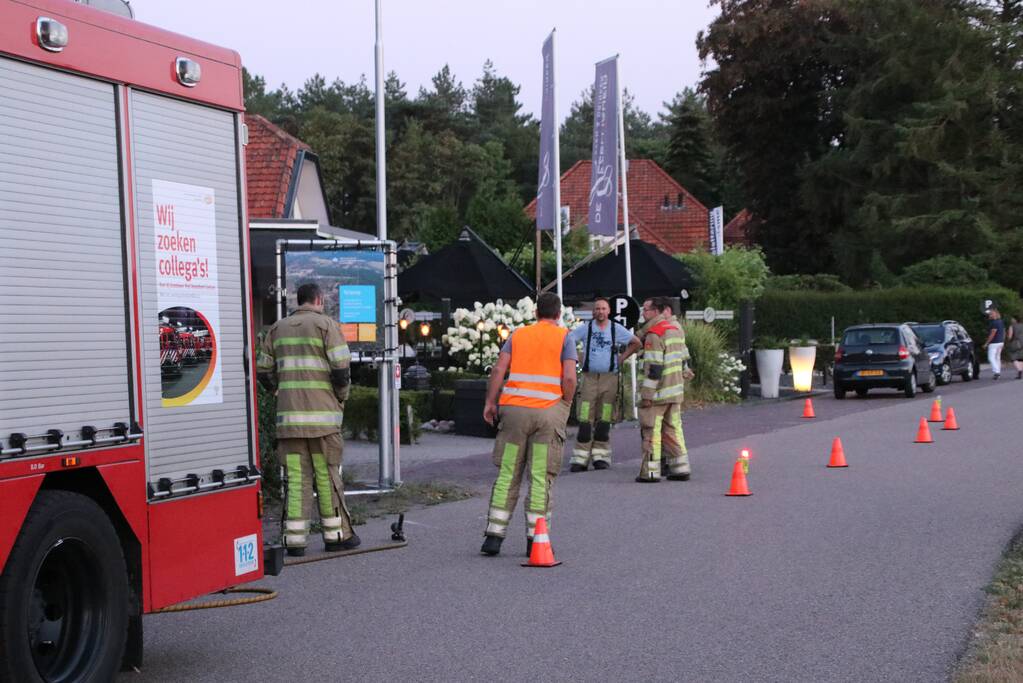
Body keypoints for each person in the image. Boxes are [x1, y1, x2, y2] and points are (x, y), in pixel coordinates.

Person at [257, 283, 359, 557]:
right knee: (326, 476)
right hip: (323, 422)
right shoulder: (327, 326)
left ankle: (294, 540)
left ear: (298, 300)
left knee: (296, 480)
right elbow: (341, 370)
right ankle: (336, 535)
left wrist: (278, 392)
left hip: (289, 423)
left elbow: (263, 370)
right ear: (319, 299)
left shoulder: (277, 329)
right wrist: (340, 398)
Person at [480, 292, 576, 557]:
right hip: (547, 414)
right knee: (539, 475)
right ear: (559, 314)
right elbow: (569, 378)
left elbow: (498, 370)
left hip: (514, 414)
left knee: (508, 472)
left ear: (536, 313)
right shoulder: (564, 337)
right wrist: (565, 404)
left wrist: (490, 402)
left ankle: (494, 535)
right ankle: (536, 539)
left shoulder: (518, 334)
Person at [566, 298, 635, 472]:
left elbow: (636, 343)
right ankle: (580, 459)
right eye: (597, 308)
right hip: (589, 379)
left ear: (609, 311)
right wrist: (577, 357)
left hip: (609, 379)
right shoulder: (586, 328)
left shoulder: (616, 329)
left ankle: (600, 457)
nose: (600, 311)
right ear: (593, 311)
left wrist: (622, 358)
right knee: (584, 418)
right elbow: (568, 341)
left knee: (604, 419)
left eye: (603, 308)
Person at [629, 297, 692, 483]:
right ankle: (680, 468)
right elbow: (683, 359)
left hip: (658, 395)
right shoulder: (675, 330)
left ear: (656, 311)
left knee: (651, 432)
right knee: (672, 430)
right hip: (675, 392)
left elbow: (654, 369)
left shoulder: (655, 334)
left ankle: (650, 472)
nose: (643, 313)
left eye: (646, 310)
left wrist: (647, 395)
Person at [983, 307, 1006, 380]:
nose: (990, 315)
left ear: (995, 314)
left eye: (991, 314)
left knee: (991, 358)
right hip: (1000, 342)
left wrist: (986, 343)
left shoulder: (994, 323)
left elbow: (992, 334)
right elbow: (1004, 331)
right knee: (997, 358)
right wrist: (1003, 340)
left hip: (994, 343)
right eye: (989, 314)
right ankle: (998, 372)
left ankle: (996, 372)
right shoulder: (1000, 321)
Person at [1007, 315, 1023, 380]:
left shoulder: (1012, 326)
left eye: (1012, 318)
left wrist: (1008, 339)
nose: (1011, 320)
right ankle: (1020, 371)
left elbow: (1010, 336)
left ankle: (1019, 370)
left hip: (1015, 343)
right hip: (1022, 342)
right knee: (1021, 358)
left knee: (1013, 357)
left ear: (1015, 319)